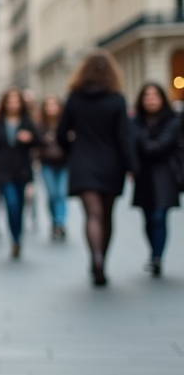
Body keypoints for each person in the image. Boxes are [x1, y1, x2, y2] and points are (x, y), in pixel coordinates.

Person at [57, 50, 137, 288]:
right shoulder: (117, 99)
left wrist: (72, 151)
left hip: (83, 163)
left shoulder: (74, 99)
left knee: (93, 215)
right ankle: (104, 260)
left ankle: (96, 257)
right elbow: (125, 136)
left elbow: (61, 134)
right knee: (107, 215)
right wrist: (132, 166)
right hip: (111, 163)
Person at [0, 89, 40, 259]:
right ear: (5, 103)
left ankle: (18, 238)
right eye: (10, 101)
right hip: (3, 171)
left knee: (20, 206)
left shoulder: (27, 122)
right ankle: (14, 239)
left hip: (22, 170)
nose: (13, 105)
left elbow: (38, 141)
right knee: (11, 204)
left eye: (16, 101)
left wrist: (30, 138)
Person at [131, 82, 180, 278]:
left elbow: (157, 147)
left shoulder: (173, 121)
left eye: (155, 96)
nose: (150, 100)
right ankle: (153, 253)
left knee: (159, 216)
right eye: (147, 96)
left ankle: (157, 257)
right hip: (143, 176)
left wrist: (140, 139)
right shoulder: (136, 122)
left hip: (165, 175)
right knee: (148, 217)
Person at [37, 96, 69, 241]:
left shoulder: (66, 123)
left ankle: (59, 223)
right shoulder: (40, 125)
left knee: (61, 194)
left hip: (64, 163)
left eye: (54, 105)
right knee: (52, 194)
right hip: (46, 163)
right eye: (48, 105)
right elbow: (35, 143)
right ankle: (54, 220)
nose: (51, 108)